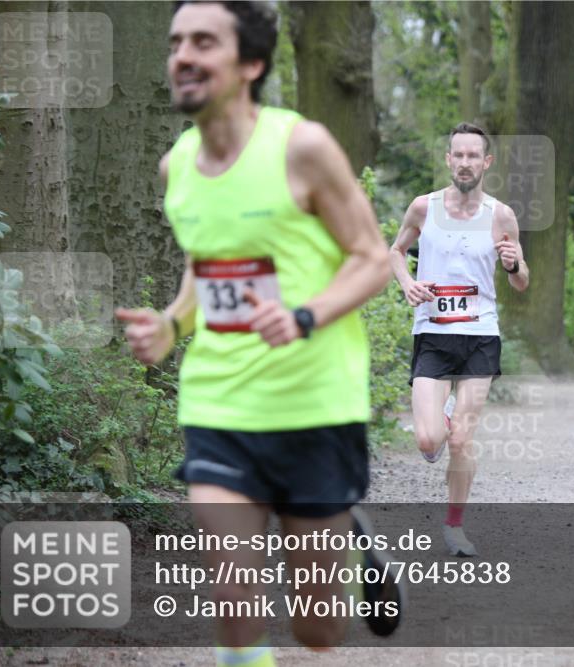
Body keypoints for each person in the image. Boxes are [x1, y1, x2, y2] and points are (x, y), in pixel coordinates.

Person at [115, 2, 398, 664]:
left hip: (314, 407)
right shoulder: (176, 166)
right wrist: (172, 323)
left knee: (316, 631)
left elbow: (372, 259)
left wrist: (304, 316)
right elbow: (203, 265)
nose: (183, 54)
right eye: (176, 41)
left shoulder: (301, 148)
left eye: (204, 42)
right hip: (221, 404)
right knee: (235, 602)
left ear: (251, 64)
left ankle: (350, 549)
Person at [389, 122, 529, 557]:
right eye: (458, 155)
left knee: (461, 442)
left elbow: (522, 281)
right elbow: (394, 252)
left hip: (480, 335)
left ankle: (455, 527)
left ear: (485, 162)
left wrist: (512, 264)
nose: (465, 162)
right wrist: (406, 282)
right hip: (432, 333)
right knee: (429, 441)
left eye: (474, 156)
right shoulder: (423, 208)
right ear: (448, 160)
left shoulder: (501, 216)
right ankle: (442, 417)